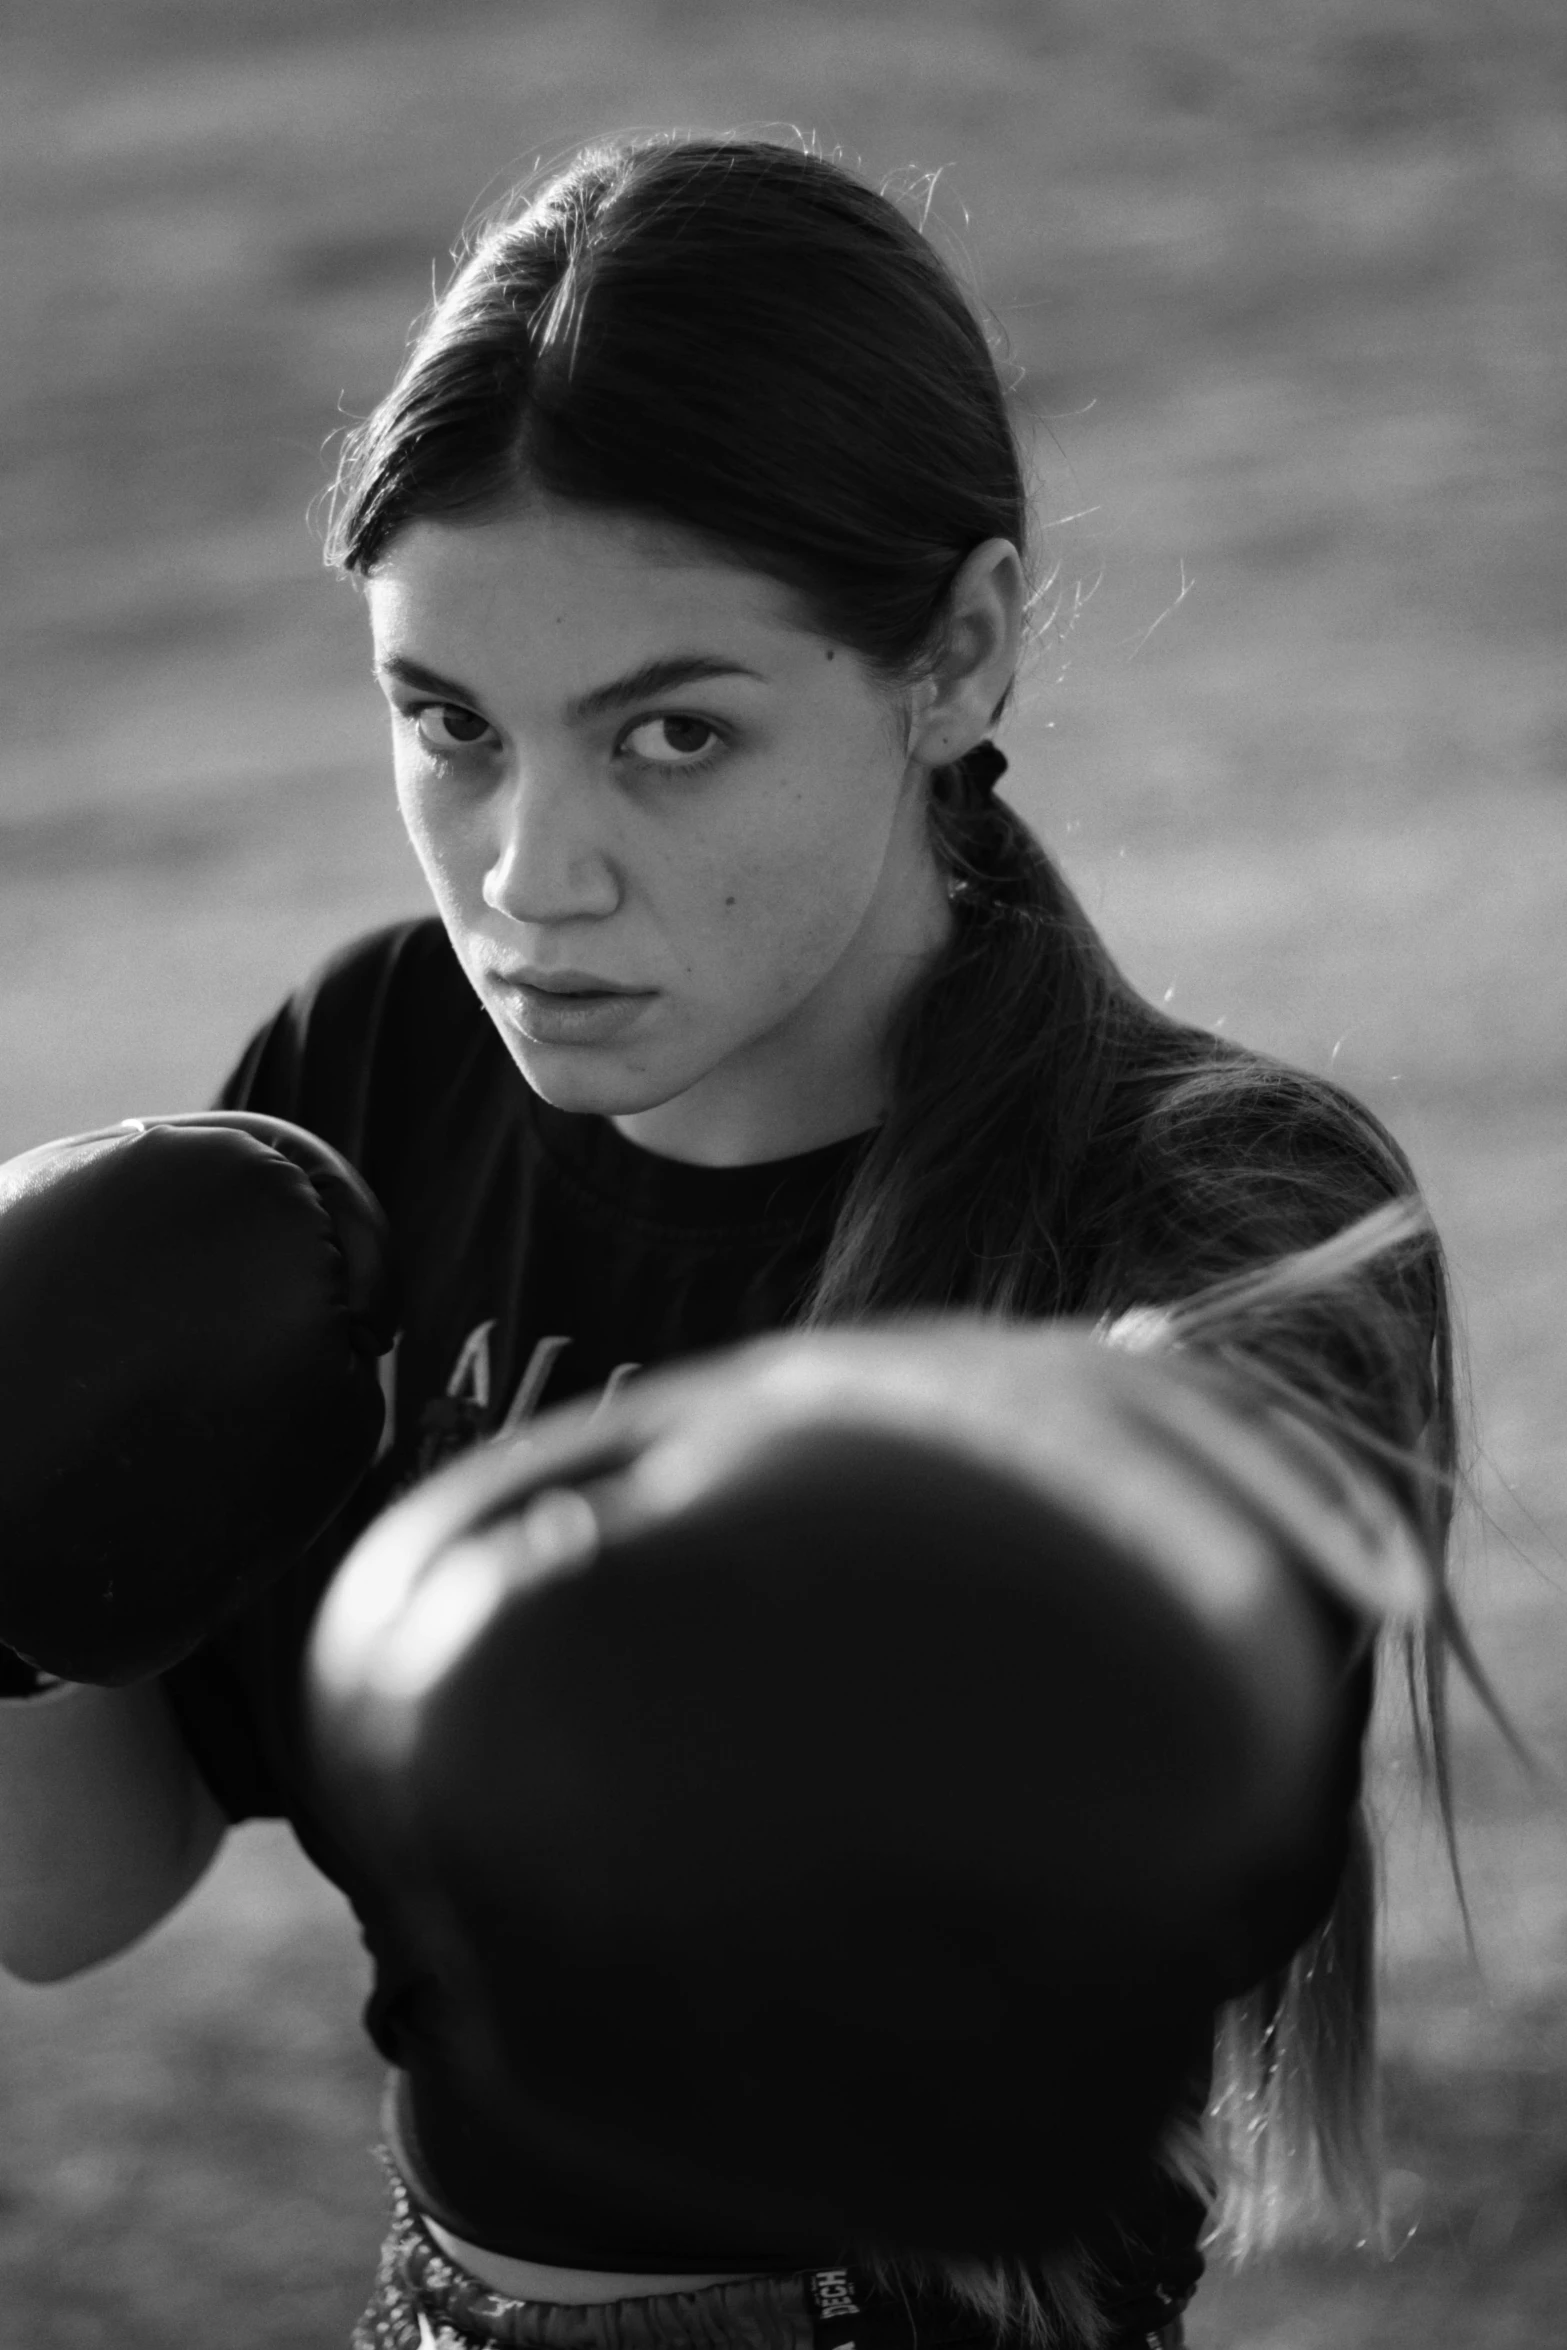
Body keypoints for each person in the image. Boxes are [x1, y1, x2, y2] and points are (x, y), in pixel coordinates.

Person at [0, 134, 1461, 2350]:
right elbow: (69, 1903)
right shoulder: (366, 1073)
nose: (530, 874)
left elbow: (1052, 2050)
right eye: (449, 725)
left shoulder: (1217, 1221)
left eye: (672, 733)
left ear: (954, 652)